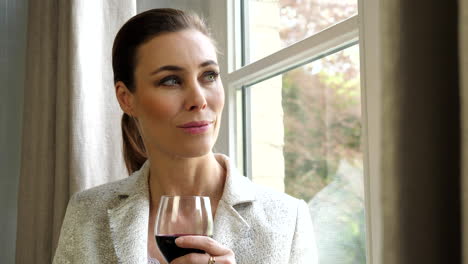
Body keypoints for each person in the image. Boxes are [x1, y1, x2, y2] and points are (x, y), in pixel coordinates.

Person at [53, 8, 317, 264]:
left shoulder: (287, 219)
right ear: (126, 98)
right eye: (171, 80)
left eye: (209, 76)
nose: (199, 100)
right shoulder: (87, 213)